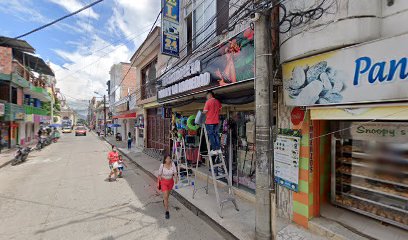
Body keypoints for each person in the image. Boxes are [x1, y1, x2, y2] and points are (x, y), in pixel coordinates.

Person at [158, 155, 177, 219]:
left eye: (170, 158)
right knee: (165, 196)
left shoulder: (173, 164)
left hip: (171, 182)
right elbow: (159, 174)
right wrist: (159, 182)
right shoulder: (162, 165)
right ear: (165, 160)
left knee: (167, 196)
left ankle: (165, 201)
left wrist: (176, 178)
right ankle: (167, 211)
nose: (169, 159)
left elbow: (175, 172)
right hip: (164, 182)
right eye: (168, 158)